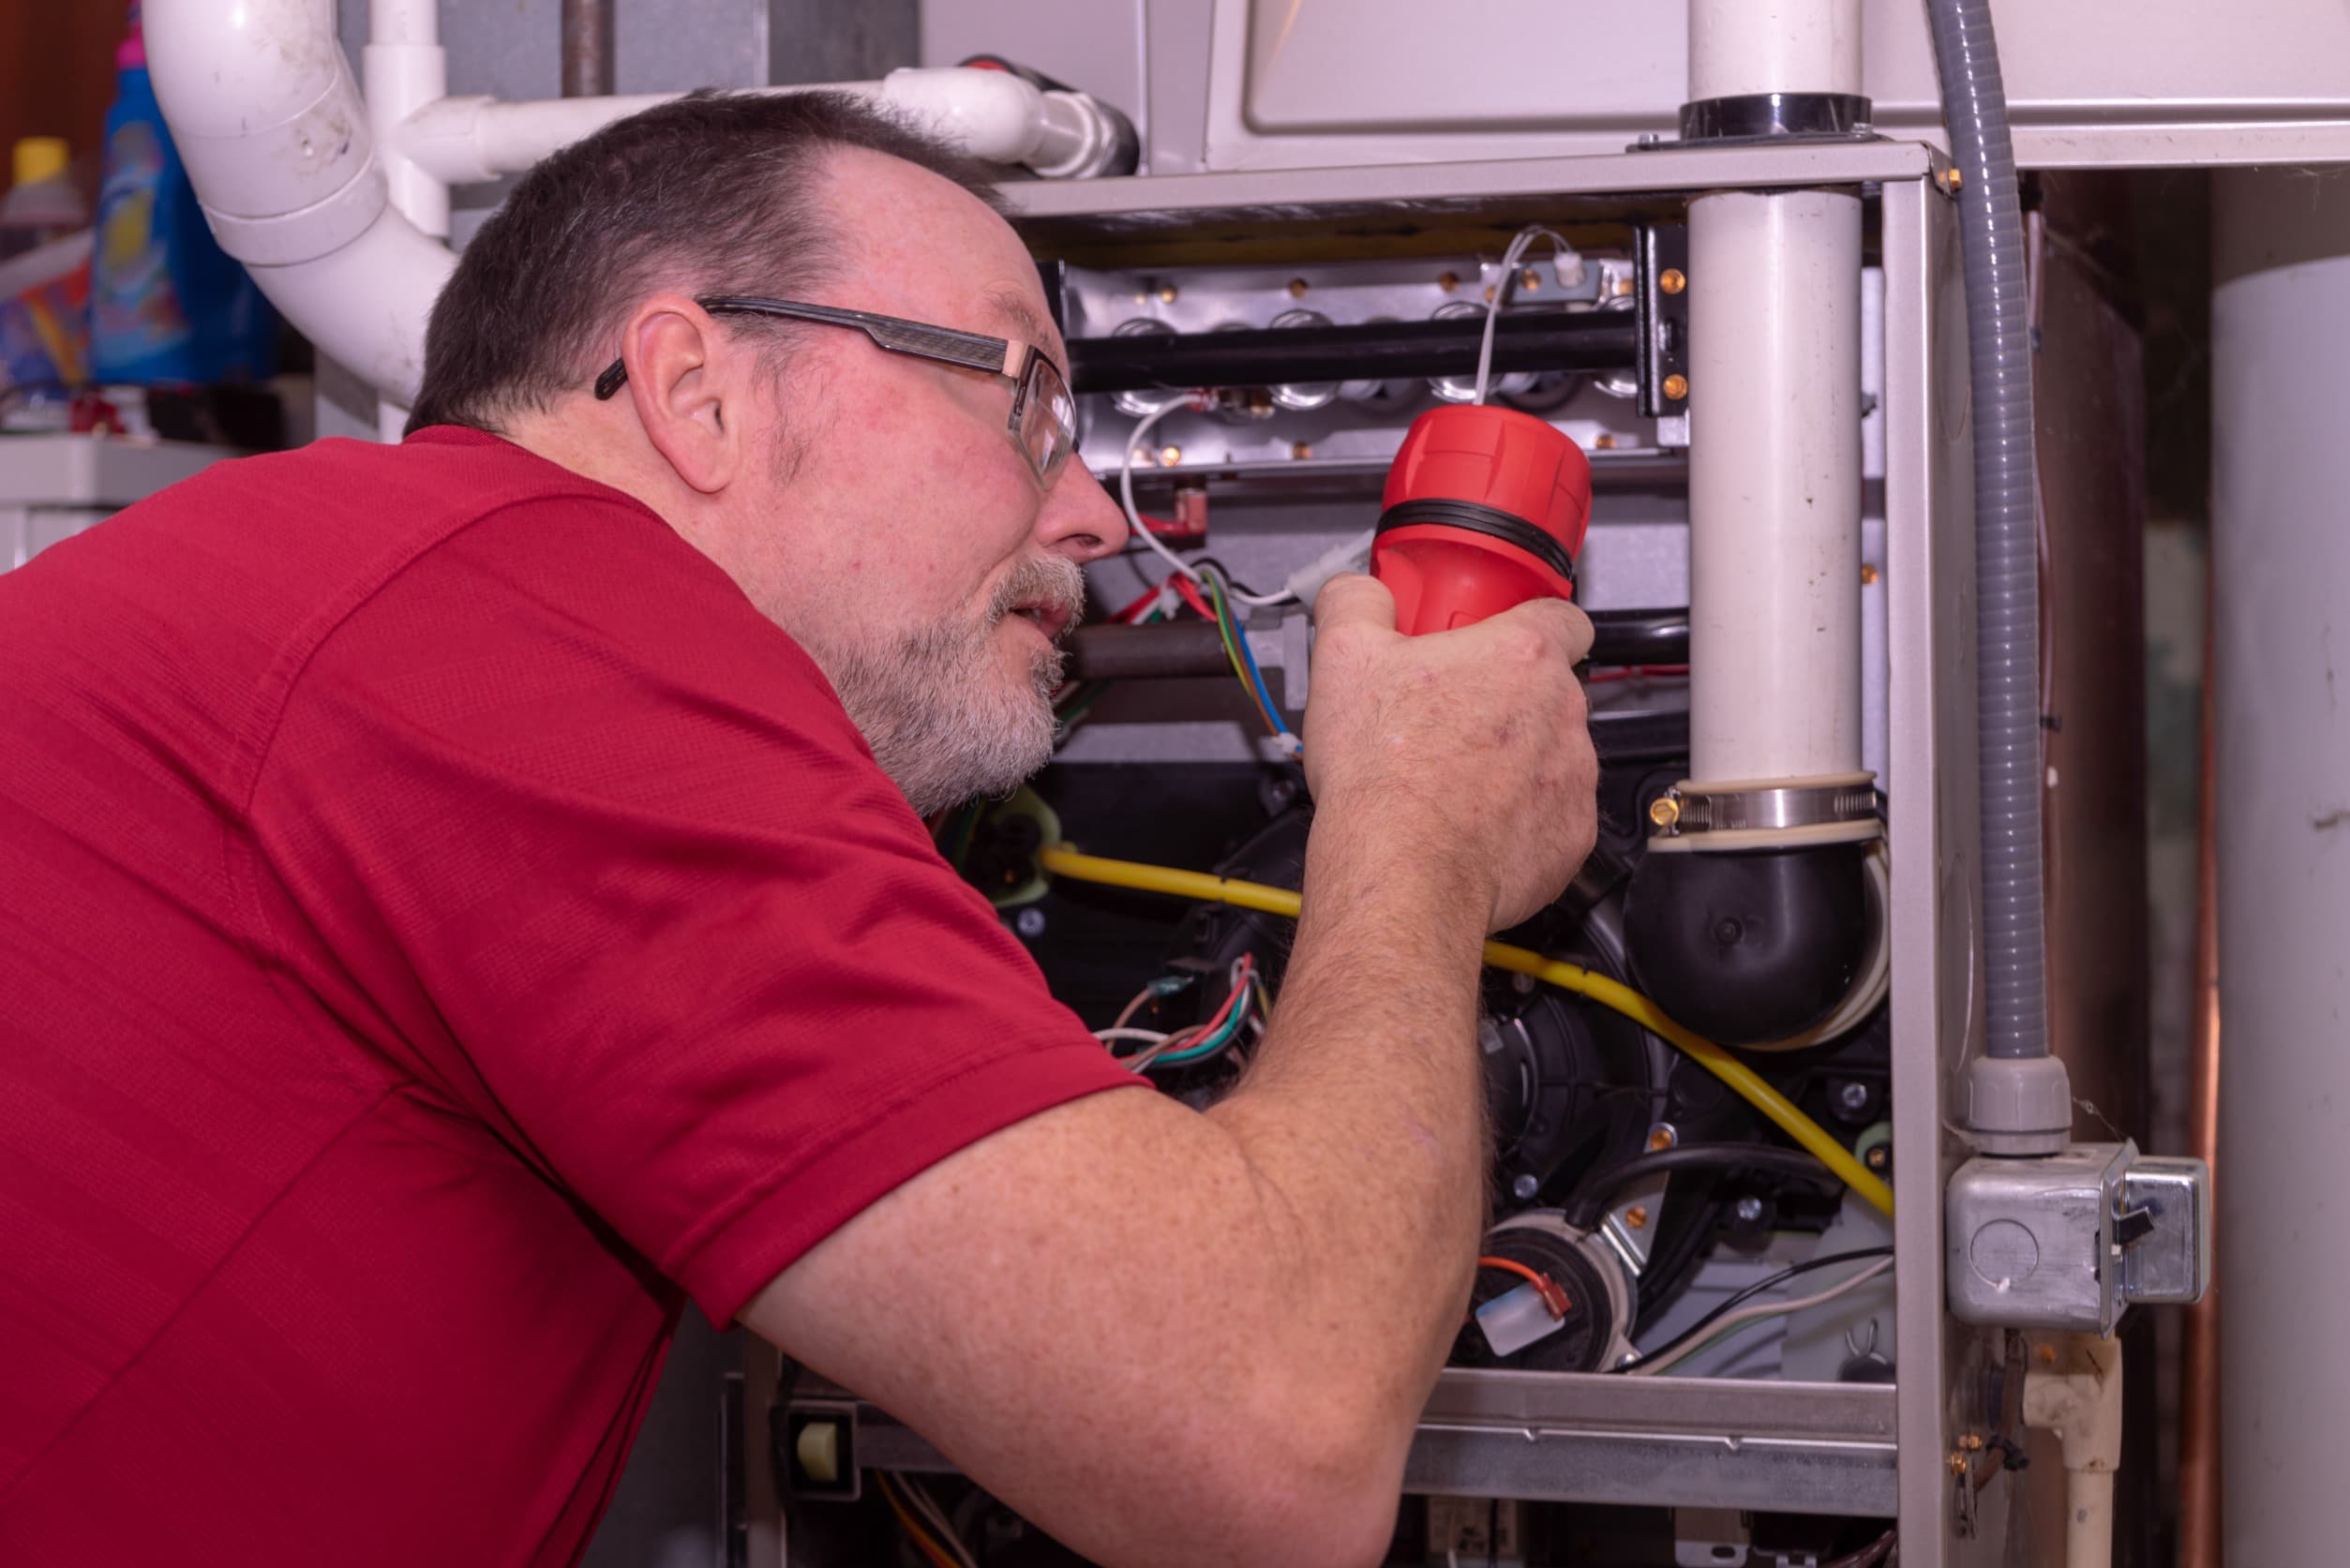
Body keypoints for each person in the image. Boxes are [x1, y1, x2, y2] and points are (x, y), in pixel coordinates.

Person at [0, 92, 1596, 1568]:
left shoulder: (377, 594)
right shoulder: (511, 622)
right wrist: (1415, 825)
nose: (1094, 518)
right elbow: (1268, 1439)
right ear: (698, 392)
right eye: (1025, 394)